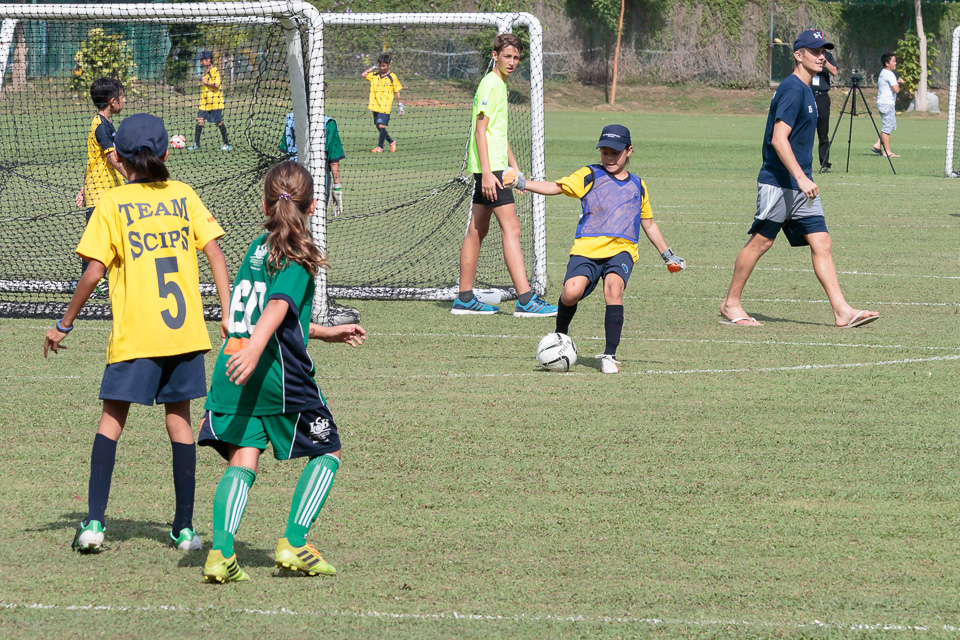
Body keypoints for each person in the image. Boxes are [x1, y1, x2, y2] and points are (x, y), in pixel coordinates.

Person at [44, 113, 232, 553]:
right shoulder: (184, 195)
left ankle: (94, 523)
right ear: (166, 154)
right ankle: (184, 529)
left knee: (112, 420)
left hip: (137, 334)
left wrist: (63, 324)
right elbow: (216, 254)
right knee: (179, 422)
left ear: (119, 160)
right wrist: (227, 314)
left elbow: (93, 272)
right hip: (185, 335)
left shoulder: (112, 202)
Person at [198, 161, 366, 584]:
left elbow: (274, 313)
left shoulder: (258, 246)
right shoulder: (296, 253)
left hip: (234, 368)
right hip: (276, 374)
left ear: (265, 204)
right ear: (313, 206)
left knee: (244, 457)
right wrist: (257, 349)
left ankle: (221, 554)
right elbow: (275, 307)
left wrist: (323, 332)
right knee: (328, 450)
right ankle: (294, 542)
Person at [718, 30, 879, 330]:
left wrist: (804, 180)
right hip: (780, 183)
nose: (821, 57)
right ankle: (731, 303)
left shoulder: (808, 89)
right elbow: (779, 140)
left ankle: (842, 311)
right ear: (798, 55)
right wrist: (802, 178)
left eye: (824, 52)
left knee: (822, 241)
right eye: (815, 51)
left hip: (800, 185)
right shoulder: (792, 89)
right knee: (761, 242)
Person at [519, 125, 685, 374]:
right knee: (571, 293)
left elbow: (648, 223)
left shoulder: (638, 185)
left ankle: (609, 355)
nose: (609, 158)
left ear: (629, 151)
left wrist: (667, 254)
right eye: (605, 152)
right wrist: (523, 183)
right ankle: (560, 335)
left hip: (622, 249)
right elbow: (556, 187)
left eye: (615, 153)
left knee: (613, 289)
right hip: (587, 248)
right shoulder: (590, 175)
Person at [452, 33, 557, 318]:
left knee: (477, 229)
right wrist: (488, 173)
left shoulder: (500, 84)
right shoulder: (490, 83)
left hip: (495, 168)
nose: (512, 62)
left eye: (516, 58)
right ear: (495, 55)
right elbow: (480, 131)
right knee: (512, 229)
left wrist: (515, 167)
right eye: (507, 56)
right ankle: (526, 300)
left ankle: (464, 298)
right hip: (490, 171)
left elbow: (498, 133)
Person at [76, 77, 128, 285]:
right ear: (112, 101)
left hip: (107, 192)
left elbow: (93, 161)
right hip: (100, 195)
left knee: (115, 238)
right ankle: (92, 283)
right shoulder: (101, 126)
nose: (124, 100)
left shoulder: (105, 124)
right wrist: (134, 177)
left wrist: (83, 189)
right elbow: (111, 158)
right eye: (122, 96)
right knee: (96, 243)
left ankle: (110, 278)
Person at [281, 107, 346, 216]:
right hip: (319, 179)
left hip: (293, 177)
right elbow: (334, 161)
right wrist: (337, 188)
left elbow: (285, 153)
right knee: (316, 217)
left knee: (294, 218)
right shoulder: (328, 123)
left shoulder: (291, 120)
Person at [187, 50, 231, 151]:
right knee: (199, 120)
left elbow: (217, 85)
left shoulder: (214, 70)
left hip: (214, 103)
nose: (201, 62)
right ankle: (196, 144)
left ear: (208, 60)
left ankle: (227, 144)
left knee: (219, 122)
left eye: (202, 60)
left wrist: (206, 83)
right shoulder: (207, 71)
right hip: (204, 103)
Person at [361, 53, 403, 153]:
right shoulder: (375, 75)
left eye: (383, 66)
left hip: (385, 106)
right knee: (378, 126)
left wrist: (400, 104)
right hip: (375, 105)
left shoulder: (392, 77)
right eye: (380, 65)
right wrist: (373, 68)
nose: (381, 68)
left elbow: (397, 90)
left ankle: (380, 147)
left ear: (389, 65)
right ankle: (391, 142)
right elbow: (363, 74)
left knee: (381, 125)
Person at [811, 39, 837, 171]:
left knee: (823, 132)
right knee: (805, 130)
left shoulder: (828, 56)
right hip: (809, 94)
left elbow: (834, 72)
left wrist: (824, 61)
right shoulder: (808, 55)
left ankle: (825, 163)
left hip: (822, 97)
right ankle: (801, 161)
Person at [871, 51, 904, 158]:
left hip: (883, 102)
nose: (895, 63)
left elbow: (891, 87)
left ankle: (878, 145)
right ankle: (887, 152)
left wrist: (897, 83)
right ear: (887, 63)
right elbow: (896, 90)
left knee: (888, 125)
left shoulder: (883, 73)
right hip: (887, 103)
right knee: (887, 127)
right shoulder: (889, 74)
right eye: (893, 61)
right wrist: (900, 84)